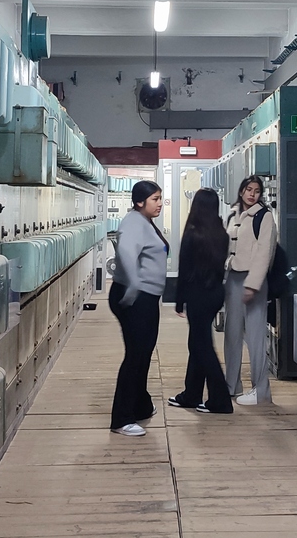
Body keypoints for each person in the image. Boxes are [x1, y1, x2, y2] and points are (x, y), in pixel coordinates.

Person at [108, 180, 169, 437]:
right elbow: (125, 252)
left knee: (143, 353)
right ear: (139, 202)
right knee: (136, 356)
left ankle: (141, 405)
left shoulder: (145, 221)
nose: (160, 203)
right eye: (155, 199)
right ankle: (121, 419)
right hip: (136, 297)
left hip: (145, 296)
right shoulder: (134, 222)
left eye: (160, 198)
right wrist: (133, 284)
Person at [168, 189, 233, 414]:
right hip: (215, 293)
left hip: (197, 294)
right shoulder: (221, 234)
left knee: (202, 347)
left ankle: (220, 400)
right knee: (197, 343)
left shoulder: (192, 234)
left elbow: (185, 270)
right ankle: (192, 395)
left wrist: (179, 301)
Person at [224, 176, 277, 405]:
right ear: (241, 191)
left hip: (253, 281)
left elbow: (265, 252)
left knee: (255, 337)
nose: (252, 194)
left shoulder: (264, 217)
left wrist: (253, 284)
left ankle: (260, 390)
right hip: (232, 279)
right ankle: (231, 385)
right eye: (248, 189)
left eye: (256, 191)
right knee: (231, 334)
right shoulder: (232, 214)